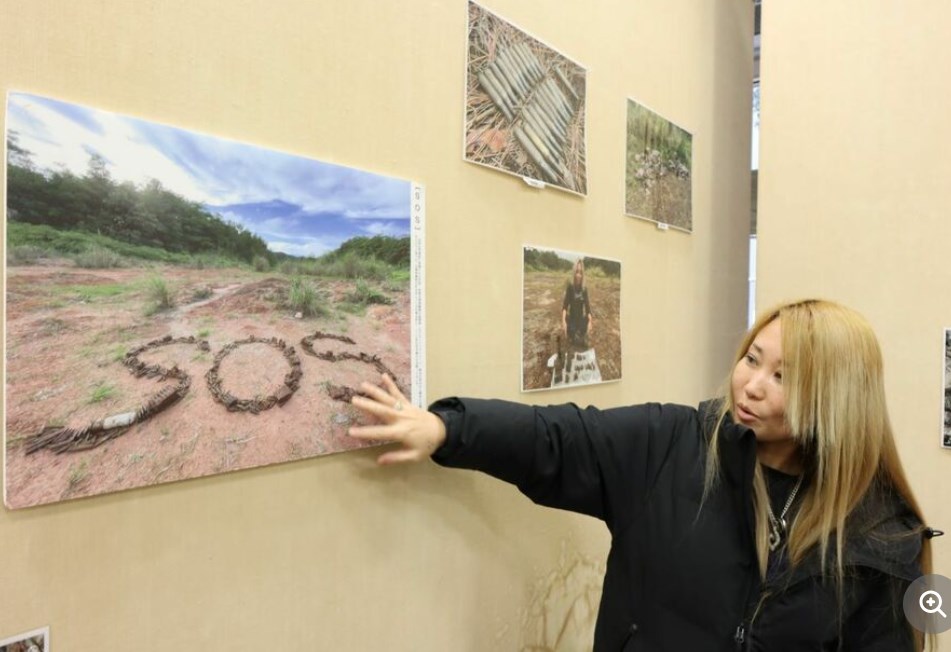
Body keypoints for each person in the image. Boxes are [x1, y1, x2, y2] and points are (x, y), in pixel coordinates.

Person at [348, 299, 939, 650]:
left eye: (785, 377)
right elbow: (558, 437)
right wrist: (446, 429)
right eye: (752, 359)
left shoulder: (881, 537)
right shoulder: (672, 445)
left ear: (837, 401)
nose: (752, 385)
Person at [562, 259, 593, 349]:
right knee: (569, 326)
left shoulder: (584, 289)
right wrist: (563, 321)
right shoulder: (570, 287)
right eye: (577, 272)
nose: (578, 275)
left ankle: (580, 336)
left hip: (580, 320)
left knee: (587, 319)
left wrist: (590, 322)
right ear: (574, 273)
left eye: (580, 272)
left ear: (583, 274)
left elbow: (588, 309)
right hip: (571, 320)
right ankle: (574, 335)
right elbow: (565, 306)